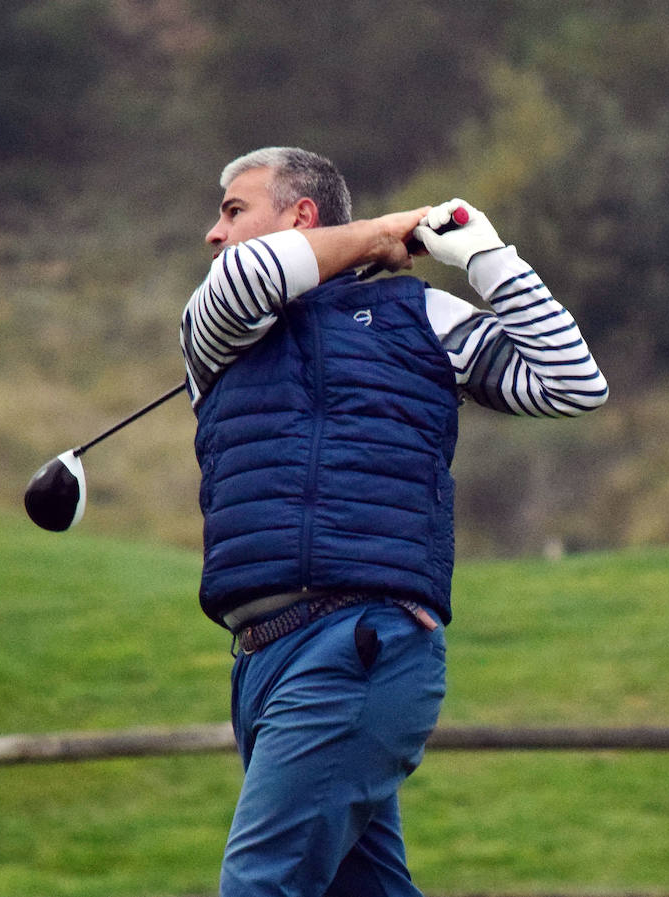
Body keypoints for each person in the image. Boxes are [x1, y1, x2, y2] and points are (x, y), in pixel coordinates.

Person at [180, 146, 608, 896]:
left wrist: (485, 255)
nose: (214, 234)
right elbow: (254, 275)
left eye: (234, 210)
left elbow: (572, 382)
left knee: (261, 882)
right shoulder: (219, 320)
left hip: (361, 645)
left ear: (301, 214)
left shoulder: (425, 319)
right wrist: (382, 232)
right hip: (261, 664)